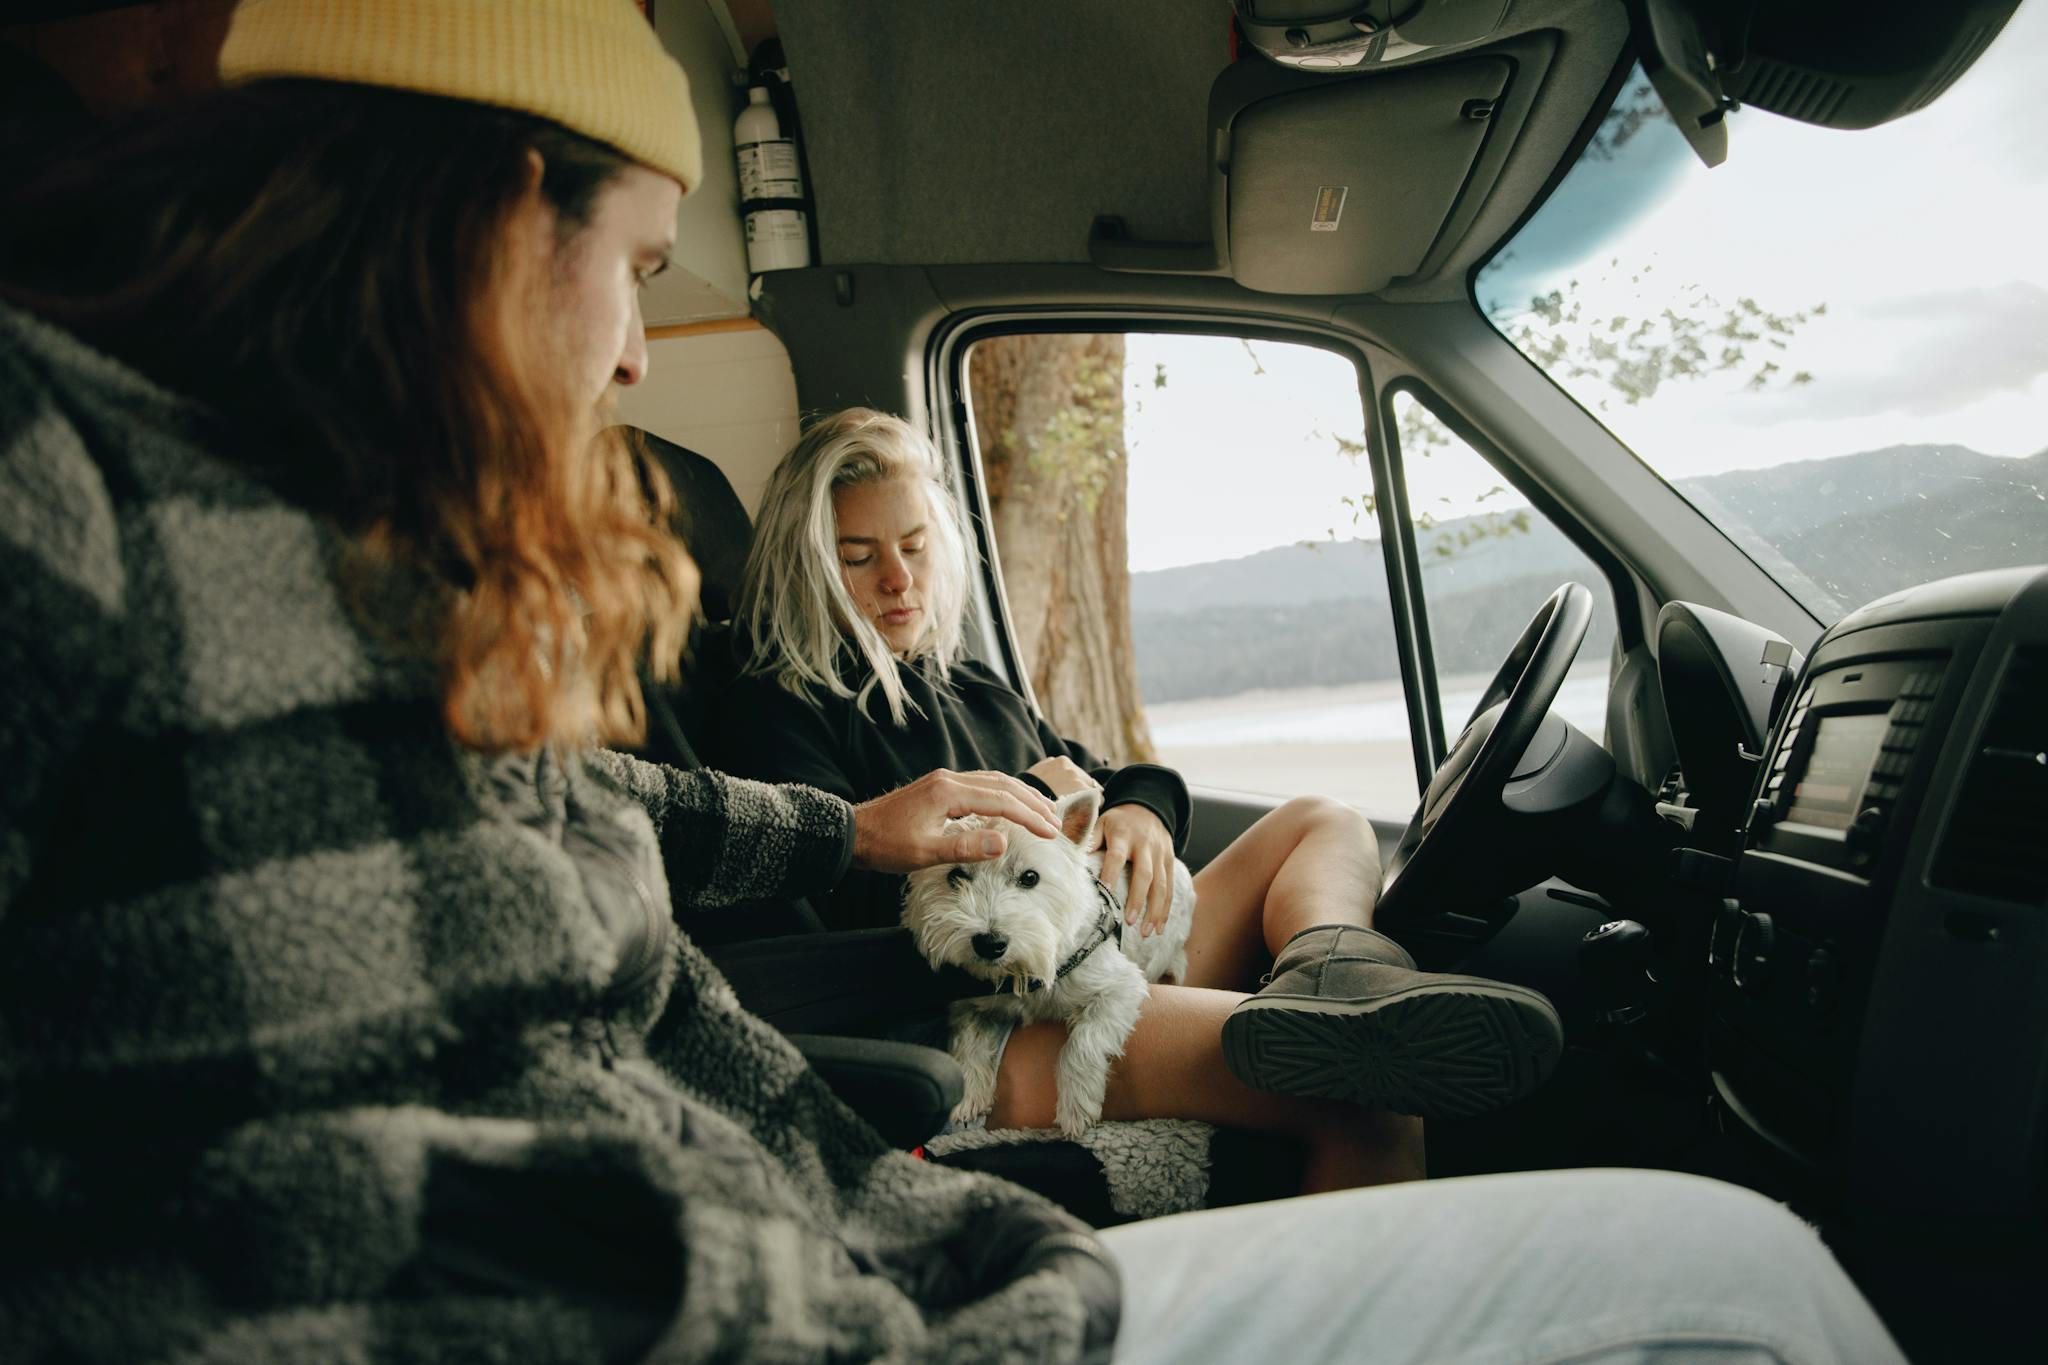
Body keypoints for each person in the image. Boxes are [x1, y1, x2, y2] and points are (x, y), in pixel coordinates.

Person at [0, 2, 1906, 1362]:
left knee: (1369, 900)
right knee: (1729, 1285)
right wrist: (877, 857)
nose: (641, 358)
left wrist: (1053, 829)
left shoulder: (413, 593)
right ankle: (1325, 1027)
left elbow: (611, 824)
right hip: (851, 1174)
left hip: (846, 1255)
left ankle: (1340, 977)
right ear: (504, 212)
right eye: (643, 265)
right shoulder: (61, 487)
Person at [713, 408, 1566, 1190]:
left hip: (1104, 946)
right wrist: (1023, 809)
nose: (898, 579)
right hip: (981, 1012)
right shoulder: (775, 708)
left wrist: (1142, 811)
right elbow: (833, 906)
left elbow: (1106, 774)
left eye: (914, 545)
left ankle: (1335, 978)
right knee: (1363, 1090)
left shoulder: (969, 686)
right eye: (859, 557)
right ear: (808, 565)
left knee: (1323, 821)